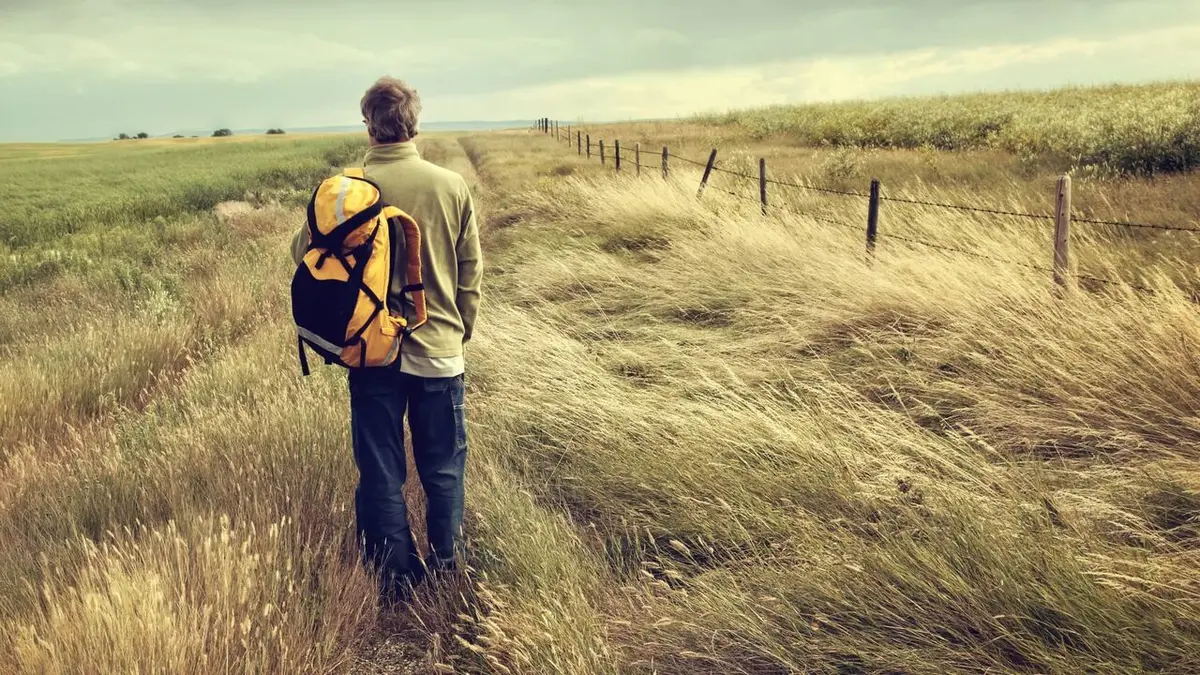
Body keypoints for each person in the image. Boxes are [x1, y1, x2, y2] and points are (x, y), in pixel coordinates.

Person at [290, 76, 483, 600]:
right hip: (439, 351)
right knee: (443, 467)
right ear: (414, 123)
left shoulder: (345, 191)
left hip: (370, 352)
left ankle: (396, 577)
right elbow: (471, 274)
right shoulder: (450, 185)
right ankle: (449, 568)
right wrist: (456, 333)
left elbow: (303, 257)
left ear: (368, 125)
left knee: (381, 470)